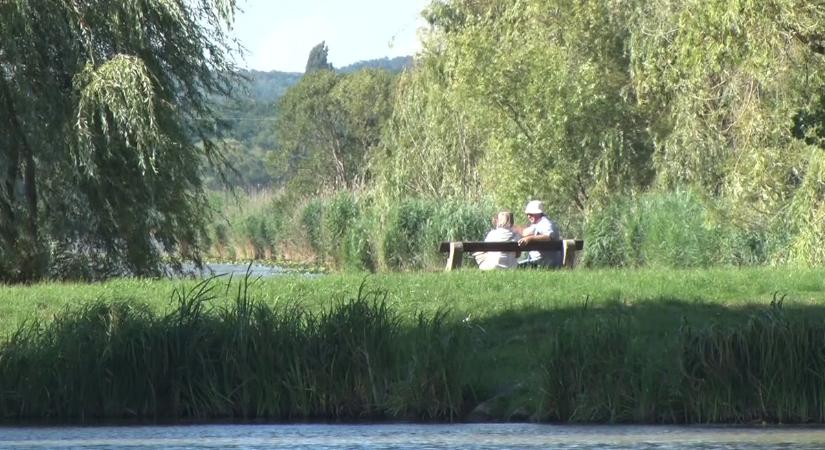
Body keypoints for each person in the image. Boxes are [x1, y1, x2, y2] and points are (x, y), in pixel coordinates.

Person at [517, 200, 562, 268]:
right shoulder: (538, 224)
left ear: (538, 213)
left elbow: (549, 237)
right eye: (527, 214)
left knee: (514, 268)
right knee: (514, 267)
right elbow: (525, 232)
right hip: (538, 262)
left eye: (531, 214)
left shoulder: (546, 223)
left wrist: (530, 239)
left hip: (543, 263)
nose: (529, 216)